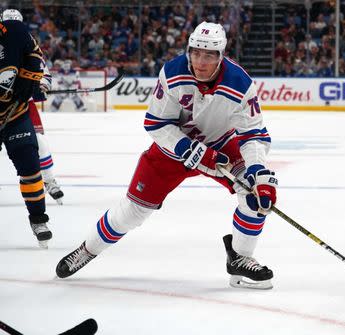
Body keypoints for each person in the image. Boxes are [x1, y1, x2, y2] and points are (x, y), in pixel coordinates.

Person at [56, 21, 278, 289]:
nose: (200, 61)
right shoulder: (173, 73)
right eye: (195, 52)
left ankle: (240, 259)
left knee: (254, 195)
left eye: (209, 55)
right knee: (132, 212)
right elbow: (157, 124)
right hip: (171, 151)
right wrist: (192, 150)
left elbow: (253, 134)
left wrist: (257, 173)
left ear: (221, 56)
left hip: (220, 146)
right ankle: (88, 249)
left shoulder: (240, 83)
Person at [0, 9, 52, 248]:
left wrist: (32, 81)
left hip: (16, 114)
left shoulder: (15, 31)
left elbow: (35, 56)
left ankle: (38, 219)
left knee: (30, 167)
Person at [29, 61, 65, 204]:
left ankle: (49, 180)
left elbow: (44, 73)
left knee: (41, 143)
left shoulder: (27, 44)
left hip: (25, 103)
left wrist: (42, 85)